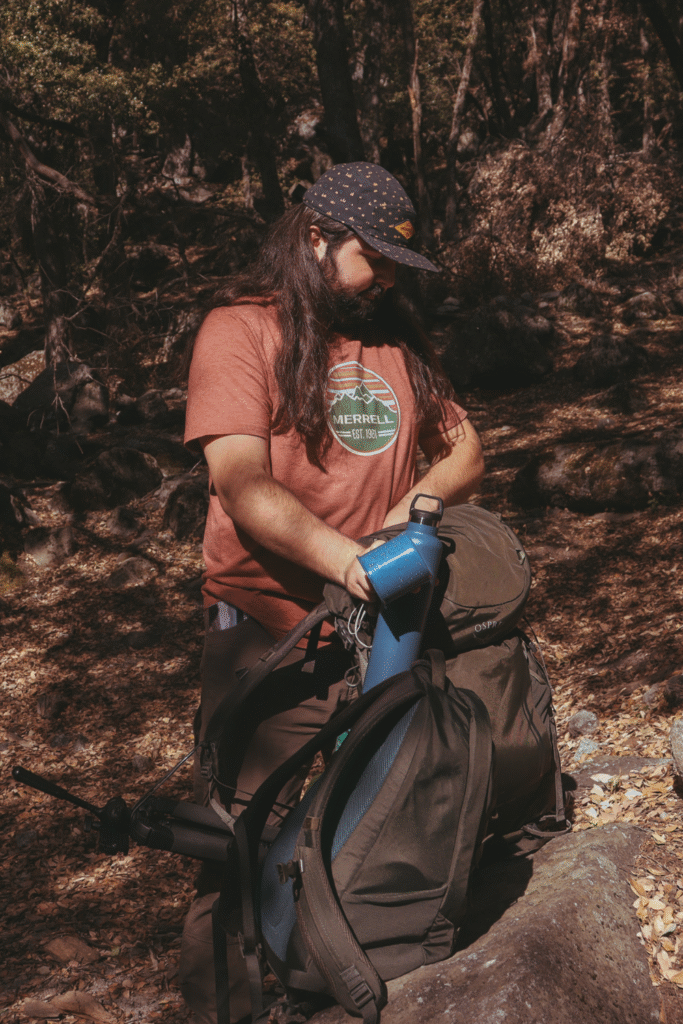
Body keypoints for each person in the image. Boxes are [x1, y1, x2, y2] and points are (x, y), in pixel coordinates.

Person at [179, 161, 484, 1024]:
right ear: (317, 238)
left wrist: (410, 510)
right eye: (374, 255)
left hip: (388, 636)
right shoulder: (240, 332)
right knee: (234, 847)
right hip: (273, 637)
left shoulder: (395, 342)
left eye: (396, 261)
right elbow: (241, 482)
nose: (386, 276)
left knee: (372, 824)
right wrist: (350, 563)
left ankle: (336, 989)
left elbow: (464, 448)